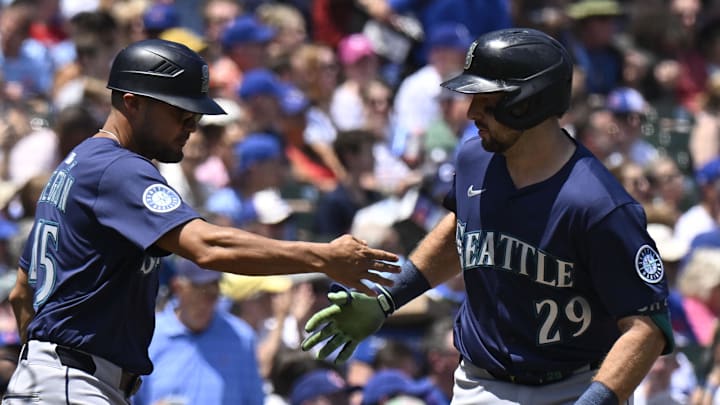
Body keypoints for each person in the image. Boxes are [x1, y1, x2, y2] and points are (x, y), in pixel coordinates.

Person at [2, 39, 400, 404]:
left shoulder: (75, 165)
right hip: (73, 383)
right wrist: (322, 257)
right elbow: (205, 247)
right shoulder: (117, 169)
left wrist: (41, 367)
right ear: (132, 102)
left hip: (61, 379)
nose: (192, 124)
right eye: (179, 110)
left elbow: (24, 293)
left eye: (195, 113)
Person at [302, 28, 673, 404]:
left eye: (486, 98)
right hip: (481, 383)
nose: (472, 110)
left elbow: (646, 327)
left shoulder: (599, 204)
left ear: (527, 102)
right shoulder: (474, 158)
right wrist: (389, 298)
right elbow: (462, 230)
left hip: (574, 388)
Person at [132, 258, 264, 405]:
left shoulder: (242, 337)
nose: (208, 299)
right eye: (200, 289)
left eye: (214, 289)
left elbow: (255, 400)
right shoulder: (149, 335)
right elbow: (126, 399)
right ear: (178, 288)